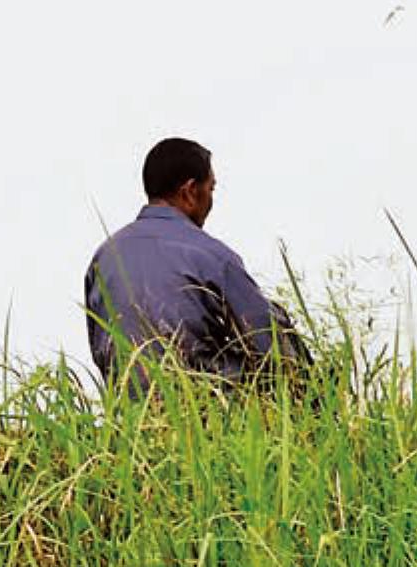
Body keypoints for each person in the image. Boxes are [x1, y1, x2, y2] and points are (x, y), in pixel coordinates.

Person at [83, 135, 310, 392]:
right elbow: (268, 342)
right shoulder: (212, 256)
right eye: (211, 189)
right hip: (205, 414)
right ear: (190, 192)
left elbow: (101, 349)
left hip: (130, 415)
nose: (211, 200)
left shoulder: (103, 258)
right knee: (276, 321)